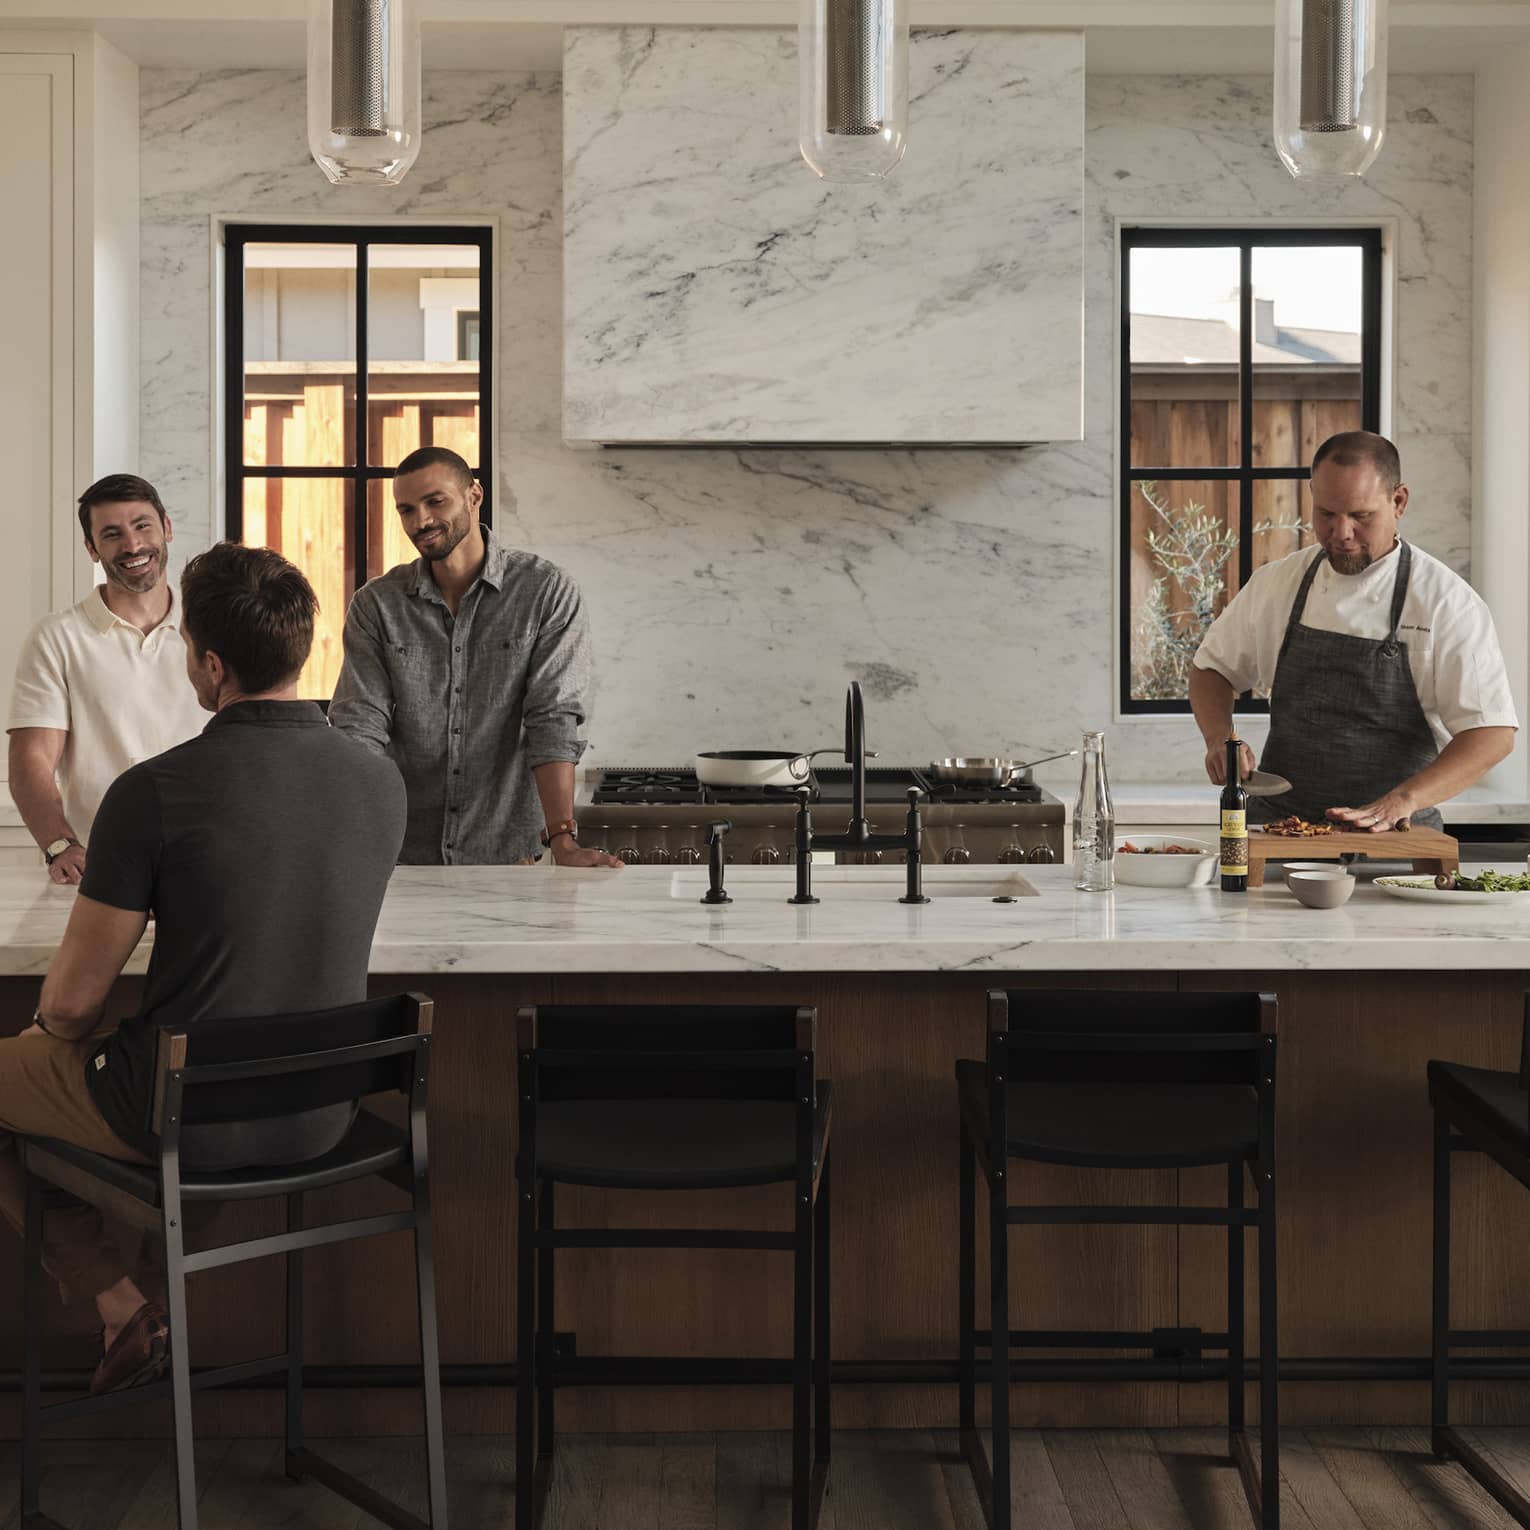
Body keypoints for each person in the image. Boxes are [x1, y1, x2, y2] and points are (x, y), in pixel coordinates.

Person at [0, 543, 405, 1394]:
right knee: (211, 1063)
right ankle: (145, 1301)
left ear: (211, 664)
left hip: (197, 1113)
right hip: (320, 1108)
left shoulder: (154, 791)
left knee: (135, 1076)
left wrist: (44, 1047)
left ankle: (120, 1301)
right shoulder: (379, 780)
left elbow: (71, 1008)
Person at [1191, 431, 1517, 831]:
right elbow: (1212, 669)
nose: (1341, 533)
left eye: (1360, 517)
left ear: (1398, 502)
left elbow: (1492, 733)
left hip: (1396, 838)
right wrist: (1219, 738)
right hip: (1282, 833)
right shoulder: (1280, 582)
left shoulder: (1446, 602)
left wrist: (1403, 800)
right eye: (1326, 514)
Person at [329, 445, 621, 867]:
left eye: (435, 502)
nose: (421, 521)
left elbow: (552, 719)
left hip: (512, 855)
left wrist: (563, 840)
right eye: (406, 510)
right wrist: (347, 834)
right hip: (403, 855)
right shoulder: (377, 605)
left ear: (474, 496)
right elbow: (360, 726)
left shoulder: (545, 592)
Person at [7, 474, 207, 885]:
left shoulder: (212, 626)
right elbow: (32, 760)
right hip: (103, 870)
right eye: (112, 534)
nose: (133, 546)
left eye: (142, 526)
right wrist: (59, 845)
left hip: (209, 862)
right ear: (92, 549)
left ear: (167, 527)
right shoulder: (57, 637)